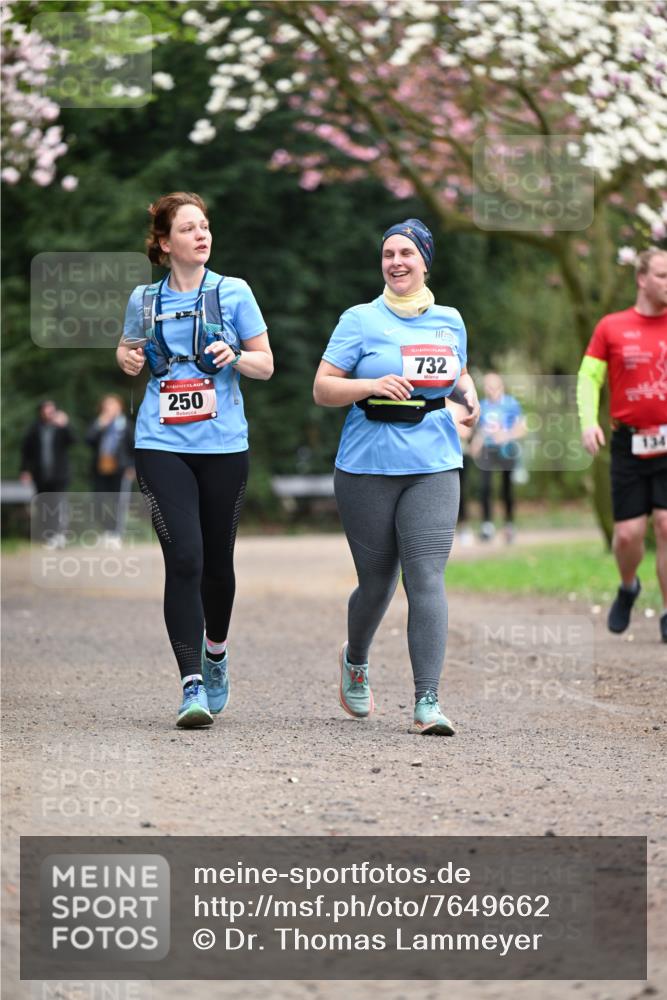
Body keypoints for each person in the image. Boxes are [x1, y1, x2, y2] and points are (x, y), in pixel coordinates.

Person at [313, 218, 479, 736]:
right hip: (367, 464)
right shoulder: (360, 320)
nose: (396, 262)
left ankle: (427, 700)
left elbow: (458, 374)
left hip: (433, 463)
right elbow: (322, 388)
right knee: (378, 582)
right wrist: (368, 383)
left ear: (425, 260)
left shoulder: (450, 320)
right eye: (388, 254)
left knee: (425, 576)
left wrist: (468, 401)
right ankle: (356, 658)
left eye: (406, 252)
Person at [117, 191, 273, 727]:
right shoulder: (143, 299)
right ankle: (190, 686)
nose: (202, 235)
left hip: (224, 446)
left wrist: (238, 355)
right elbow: (126, 350)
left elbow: (267, 365)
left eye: (205, 227)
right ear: (164, 243)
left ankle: (216, 652)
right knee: (184, 557)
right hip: (160, 443)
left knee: (217, 564)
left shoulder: (234, 293)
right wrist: (129, 357)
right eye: (188, 229)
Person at [577, 246, 667, 642]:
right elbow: (587, 378)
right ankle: (629, 586)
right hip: (628, 444)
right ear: (642, 279)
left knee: (666, 524)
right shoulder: (612, 327)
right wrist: (587, 422)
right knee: (628, 534)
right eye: (662, 275)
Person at [472, 372, 526, 543]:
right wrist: (477, 442)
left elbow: (522, 428)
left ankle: (509, 524)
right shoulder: (483, 405)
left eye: (494, 386)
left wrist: (507, 435)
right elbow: (481, 429)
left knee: (506, 488)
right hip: (488, 450)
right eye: (488, 386)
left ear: (501, 386)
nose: (491, 389)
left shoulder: (511, 404)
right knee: (485, 486)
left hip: (506, 450)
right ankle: (487, 525)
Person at [20, 400, 76, 548]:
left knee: (58, 505)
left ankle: (60, 534)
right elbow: (26, 453)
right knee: (44, 505)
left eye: (51, 410)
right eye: (45, 410)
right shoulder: (34, 429)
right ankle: (50, 536)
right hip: (41, 475)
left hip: (60, 475)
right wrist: (25, 470)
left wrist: (65, 425)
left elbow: (73, 441)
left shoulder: (61, 428)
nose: (48, 413)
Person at [86, 393, 135, 545]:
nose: (109, 408)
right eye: (106, 405)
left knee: (118, 502)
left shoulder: (126, 425)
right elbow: (88, 440)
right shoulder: (99, 423)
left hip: (121, 469)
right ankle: (107, 530)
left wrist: (132, 467)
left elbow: (134, 446)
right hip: (101, 468)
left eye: (112, 405)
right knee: (98, 501)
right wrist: (100, 425)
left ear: (119, 407)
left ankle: (116, 534)